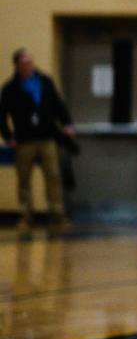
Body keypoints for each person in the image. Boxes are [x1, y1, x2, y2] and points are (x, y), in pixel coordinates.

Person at [0, 49, 75, 232]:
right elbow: (2, 115)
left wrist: (66, 124)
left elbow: (58, 104)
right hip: (24, 139)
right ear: (17, 65)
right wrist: (8, 137)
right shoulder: (10, 88)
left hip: (47, 137)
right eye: (25, 63)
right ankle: (26, 216)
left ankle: (57, 216)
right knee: (24, 180)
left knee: (53, 176)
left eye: (30, 62)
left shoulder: (45, 81)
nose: (29, 65)